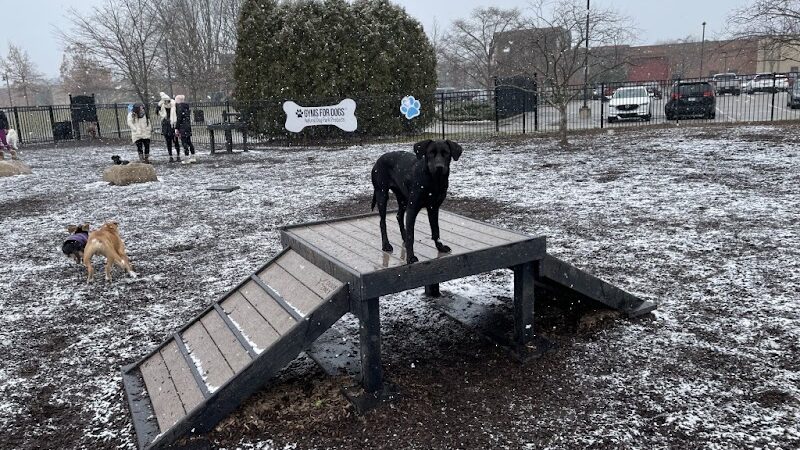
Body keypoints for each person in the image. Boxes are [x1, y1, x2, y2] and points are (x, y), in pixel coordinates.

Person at [157, 92, 181, 163]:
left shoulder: (174, 105)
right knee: (168, 142)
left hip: (173, 125)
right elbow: (157, 112)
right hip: (165, 125)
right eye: (164, 100)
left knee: (175, 141)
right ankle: (170, 156)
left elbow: (178, 114)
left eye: (167, 100)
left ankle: (178, 156)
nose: (166, 102)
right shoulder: (162, 105)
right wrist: (159, 104)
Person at [174, 95, 196, 164]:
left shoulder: (180, 108)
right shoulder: (186, 107)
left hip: (182, 127)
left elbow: (179, 119)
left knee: (184, 143)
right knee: (189, 141)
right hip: (187, 126)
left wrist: (176, 128)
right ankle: (193, 156)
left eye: (176, 100)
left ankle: (187, 158)